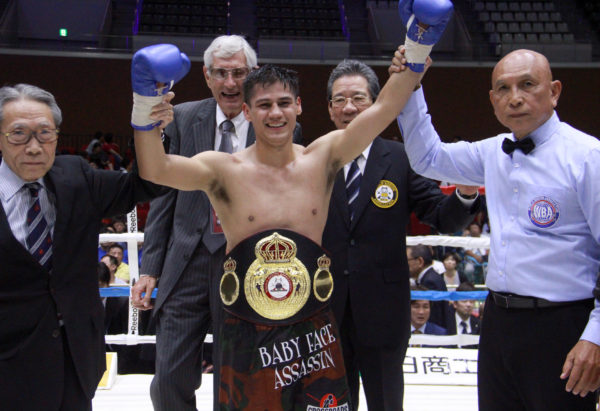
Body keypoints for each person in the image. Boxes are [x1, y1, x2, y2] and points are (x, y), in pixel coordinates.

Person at [131, 2, 453, 407]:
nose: (275, 113)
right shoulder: (223, 170)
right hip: (246, 322)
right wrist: (144, 106)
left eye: (284, 103)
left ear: (298, 107)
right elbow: (156, 169)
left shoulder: (323, 158)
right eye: (264, 105)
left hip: (312, 322)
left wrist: (418, 44)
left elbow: (386, 107)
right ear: (247, 111)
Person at [396, 48, 600, 409]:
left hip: (564, 323)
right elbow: (428, 158)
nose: (515, 97)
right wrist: (411, 85)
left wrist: (596, 336)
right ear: (493, 100)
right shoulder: (491, 153)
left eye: (527, 85)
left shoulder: (587, 157)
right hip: (498, 322)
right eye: (503, 88)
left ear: (554, 91)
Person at [130, 34, 301, 411]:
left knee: (238, 377)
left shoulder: (274, 121)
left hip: (248, 264)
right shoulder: (183, 117)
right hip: (187, 261)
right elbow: (163, 196)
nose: (230, 82)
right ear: (207, 76)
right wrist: (150, 268)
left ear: (253, 73)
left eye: (239, 73)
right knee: (169, 377)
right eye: (221, 73)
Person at [321, 59, 479, 410]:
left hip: (384, 312)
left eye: (358, 98)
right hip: (325, 310)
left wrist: (466, 193)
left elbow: (441, 216)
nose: (349, 108)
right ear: (330, 109)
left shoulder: (401, 158)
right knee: (330, 404)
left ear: (377, 104)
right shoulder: (313, 158)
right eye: (339, 99)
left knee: (387, 403)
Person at [0, 83, 161, 410]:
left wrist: (147, 119)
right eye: (19, 134)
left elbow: (147, 182)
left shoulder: (76, 176)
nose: (34, 147)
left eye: (45, 134)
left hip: (75, 360)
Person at [445, 281, 480, 348]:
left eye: (471, 301)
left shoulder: (479, 325)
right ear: (455, 304)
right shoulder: (446, 323)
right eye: (464, 301)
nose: (468, 305)